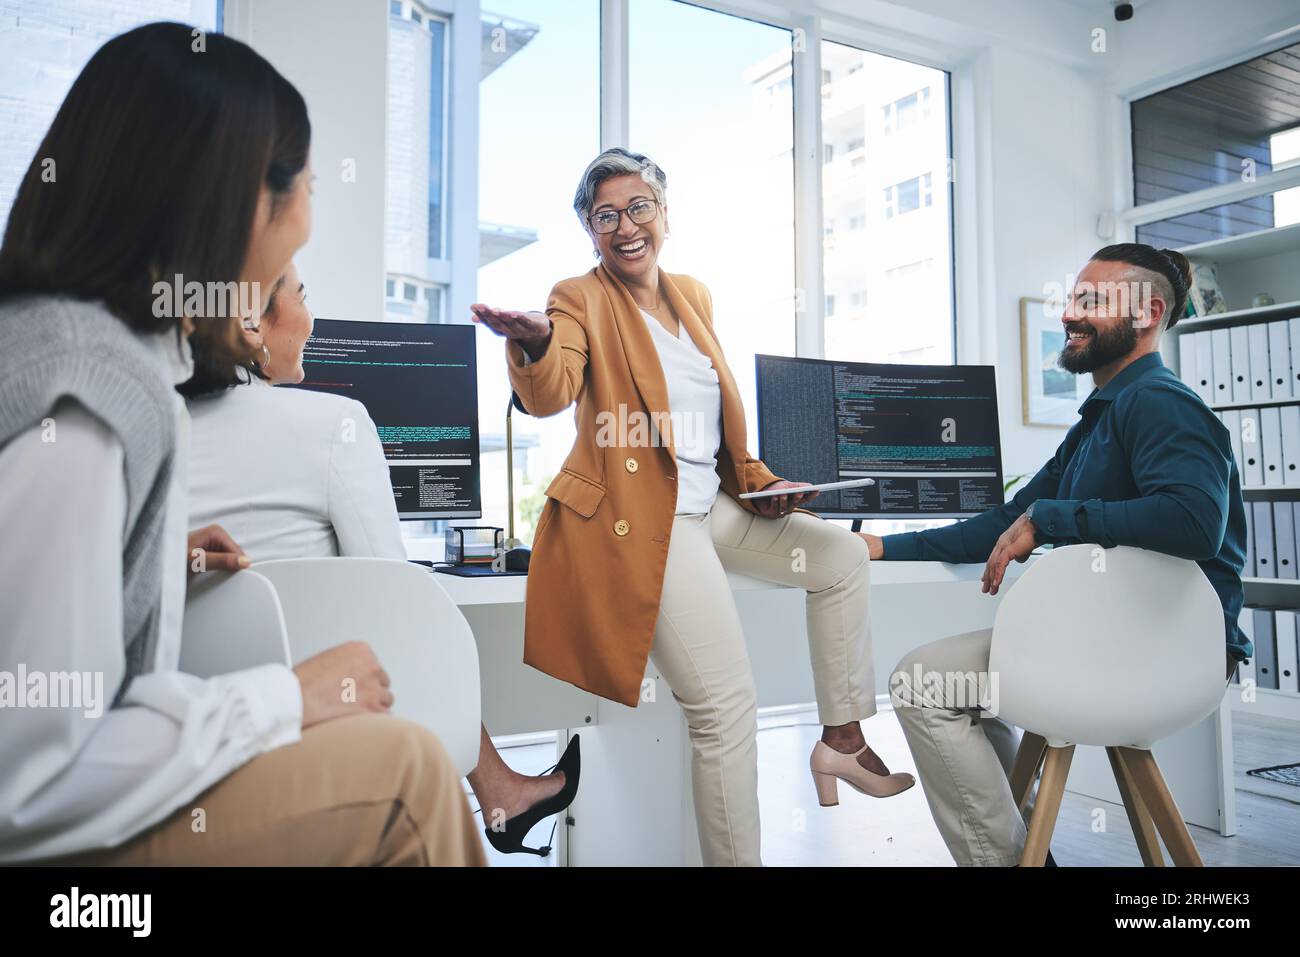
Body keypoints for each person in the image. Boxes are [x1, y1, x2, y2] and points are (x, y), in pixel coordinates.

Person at [0, 22, 483, 866]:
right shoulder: (89, 398)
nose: (306, 212)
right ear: (222, 201)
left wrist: (136, 564)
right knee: (408, 768)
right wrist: (285, 698)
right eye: (295, 182)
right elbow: (27, 778)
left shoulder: (68, 356)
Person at [472, 147, 913, 867]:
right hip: (644, 516)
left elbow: (714, 426)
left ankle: (841, 740)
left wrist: (767, 482)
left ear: (665, 215)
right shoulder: (578, 298)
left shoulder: (694, 296)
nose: (624, 225)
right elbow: (553, 389)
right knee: (726, 707)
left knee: (837, 555)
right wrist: (534, 342)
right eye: (604, 214)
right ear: (590, 229)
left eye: (638, 206)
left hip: (717, 505)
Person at [862, 243, 1249, 867]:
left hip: (1165, 650)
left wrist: (1051, 517)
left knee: (924, 681)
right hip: (1123, 643)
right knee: (956, 683)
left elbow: (1194, 521)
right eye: (1071, 299)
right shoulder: (1099, 420)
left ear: (1148, 313)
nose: (1069, 313)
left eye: (1091, 301)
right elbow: (1002, 523)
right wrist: (879, 546)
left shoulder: (1161, 402)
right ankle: (1025, 853)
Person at [184, 260, 579, 856]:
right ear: (252, 326)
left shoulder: (149, 433)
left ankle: (500, 795)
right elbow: (397, 593)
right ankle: (499, 795)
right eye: (301, 293)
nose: (313, 322)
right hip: (335, 740)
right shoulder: (334, 423)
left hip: (201, 741)